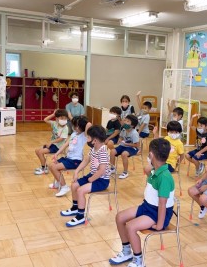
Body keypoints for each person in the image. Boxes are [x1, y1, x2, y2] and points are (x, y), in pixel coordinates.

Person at [108, 138, 174, 267]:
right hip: (147, 207)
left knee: (131, 227)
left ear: (151, 155)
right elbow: (150, 179)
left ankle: (138, 260)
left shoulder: (165, 177)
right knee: (120, 217)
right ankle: (127, 251)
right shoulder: (157, 170)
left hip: (158, 214)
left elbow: (162, 204)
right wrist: (149, 170)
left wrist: (160, 225)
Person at [61, 125, 111, 227]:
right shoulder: (94, 149)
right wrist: (76, 172)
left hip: (101, 180)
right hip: (92, 176)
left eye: (88, 137)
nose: (86, 139)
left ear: (95, 140)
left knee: (80, 190)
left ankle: (80, 217)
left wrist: (91, 179)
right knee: (74, 185)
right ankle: (75, 208)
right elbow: (86, 160)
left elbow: (102, 170)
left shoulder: (103, 151)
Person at [48, 116, 89, 197]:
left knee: (55, 167)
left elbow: (89, 125)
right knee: (50, 165)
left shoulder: (84, 136)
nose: (74, 127)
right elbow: (65, 144)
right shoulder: (73, 134)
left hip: (76, 161)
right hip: (68, 158)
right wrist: (57, 153)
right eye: (74, 125)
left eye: (76, 125)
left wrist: (83, 122)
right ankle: (58, 182)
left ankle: (64, 187)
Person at [34, 109, 69, 175]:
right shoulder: (55, 123)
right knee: (37, 150)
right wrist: (53, 114)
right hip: (53, 144)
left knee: (40, 152)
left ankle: (43, 169)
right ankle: (45, 166)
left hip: (58, 147)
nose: (63, 120)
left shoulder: (65, 128)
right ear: (57, 118)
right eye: (61, 118)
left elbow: (62, 138)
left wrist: (51, 142)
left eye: (65, 118)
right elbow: (45, 120)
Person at [109, 114, 139, 179]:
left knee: (124, 154)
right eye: (125, 120)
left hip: (132, 148)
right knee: (112, 151)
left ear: (132, 125)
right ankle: (112, 168)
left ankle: (125, 172)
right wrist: (120, 139)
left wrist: (127, 144)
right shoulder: (124, 130)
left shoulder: (134, 133)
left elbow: (137, 145)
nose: (125, 122)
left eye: (128, 121)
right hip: (123, 146)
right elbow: (121, 137)